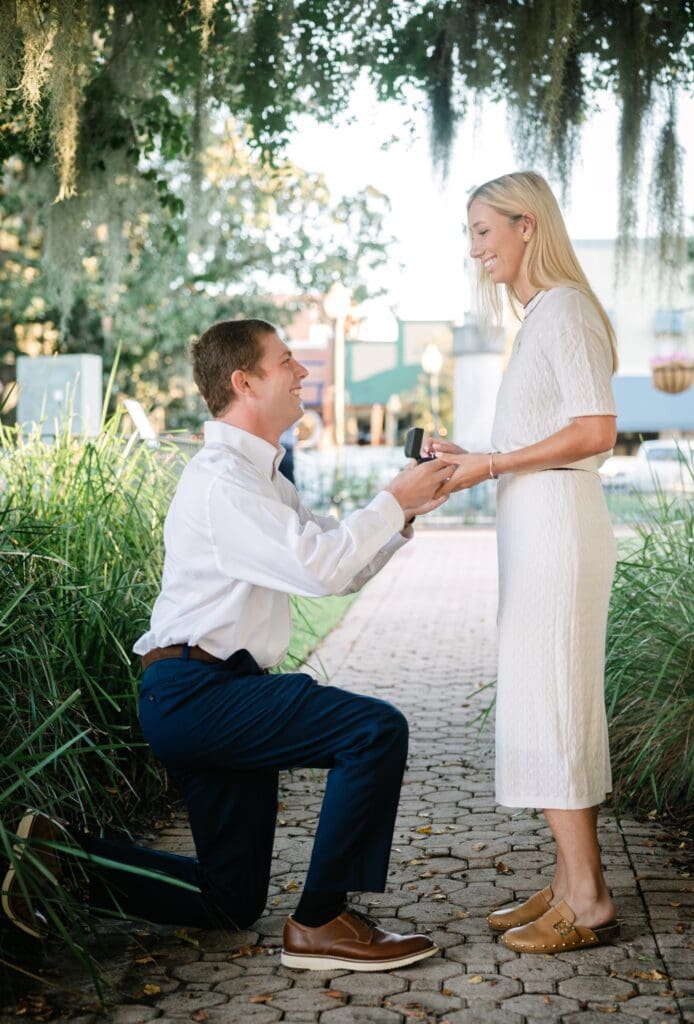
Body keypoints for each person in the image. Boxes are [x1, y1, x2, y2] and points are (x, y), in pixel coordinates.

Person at [3, 318, 453, 971]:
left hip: (214, 694)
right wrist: (391, 498)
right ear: (244, 382)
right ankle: (322, 921)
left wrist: (407, 507)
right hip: (198, 693)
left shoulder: (262, 481)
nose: (303, 373)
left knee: (228, 902)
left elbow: (337, 568)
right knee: (373, 731)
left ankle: (62, 858)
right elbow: (321, 565)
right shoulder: (222, 482)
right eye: (287, 362)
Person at [428, 171, 621, 954]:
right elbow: (551, 433)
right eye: (470, 235)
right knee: (547, 698)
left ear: (526, 225)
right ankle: (571, 882)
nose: (475, 248)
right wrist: (477, 459)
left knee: (552, 701)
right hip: (539, 525)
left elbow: (596, 429)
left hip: (558, 528)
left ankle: (590, 898)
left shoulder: (566, 312)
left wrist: (496, 462)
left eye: (483, 231)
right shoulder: (542, 317)